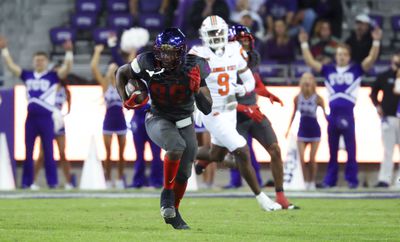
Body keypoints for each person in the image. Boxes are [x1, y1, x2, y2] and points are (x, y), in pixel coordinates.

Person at [115, 28, 213, 229]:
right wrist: (125, 99)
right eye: (164, 51)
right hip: (157, 117)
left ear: (182, 51)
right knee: (176, 146)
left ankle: (173, 214)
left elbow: (207, 107)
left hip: (185, 120)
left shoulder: (195, 66)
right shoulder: (146, 61)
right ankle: (166, 195)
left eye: (172, 51)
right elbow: (121, 73)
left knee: (185, 172)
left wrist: (196, 91)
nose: (167, 56)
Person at [190, 16, 282, 211]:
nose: (216, 36)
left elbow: (249, 80)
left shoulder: (234, 50)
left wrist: (241, 89)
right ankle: (262, 198)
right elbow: (190, 82)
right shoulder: (198, 53)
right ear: (204, 35)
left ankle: (182, 151)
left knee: (216, 154)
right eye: (211, 33)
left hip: (230, 109)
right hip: (211, 110)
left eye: (218, 32)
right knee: (242, 149)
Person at [299, 26, 382, 188]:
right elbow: (311, 62)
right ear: (335, 57)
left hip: (348, 114)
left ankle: (352, 180)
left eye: (344, 54)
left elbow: (371, 59)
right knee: (332, 151)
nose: (341, 57)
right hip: (333, 115)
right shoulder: (328, 69)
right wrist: (304, 44)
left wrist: (377, 41)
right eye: (338, 55)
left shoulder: (356, 68)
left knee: (351, 150)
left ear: (349, 56)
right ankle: (330, 180)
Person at [0, 36, 73, 188]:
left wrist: (69, 53)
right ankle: (27, 182)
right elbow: (12, 67)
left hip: (46, 118)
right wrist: (4, 50)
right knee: (28, 151)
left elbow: (66, 69)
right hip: (31, 118)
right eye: (36, 60)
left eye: (41, 60)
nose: (38, 62)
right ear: (33, 61)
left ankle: (52, 182)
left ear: (46, 62)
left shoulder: (52, 76)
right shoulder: (28, 75)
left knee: (48, 151)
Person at [107, 29, 163, 188]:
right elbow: (121, 64)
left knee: (156, 152)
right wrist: (113, 46)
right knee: (139, 153)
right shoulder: (133, 73)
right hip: (139, 116)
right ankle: (139, 181)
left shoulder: (157, 73)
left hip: (154, 116)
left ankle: (157, 181)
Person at [91, 45, 127, 189]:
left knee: (121, 153)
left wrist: (131, 52)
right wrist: (97, 52)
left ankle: (119, 179)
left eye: (114, 68)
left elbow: (130, 65)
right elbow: (94, 68)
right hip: (108, 121)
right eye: (110, 68)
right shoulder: (105, 84)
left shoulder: (123, 84)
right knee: (107, 153)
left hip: (121, 121)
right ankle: (107, 179)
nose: (112, 69)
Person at [286, 72, 326, 190]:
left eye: (309, 79)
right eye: (304, 79)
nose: (307, 81)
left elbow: (325, 114)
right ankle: (304, 181)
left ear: (313, 82)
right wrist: (288, 130)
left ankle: (311, 182)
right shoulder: (297, 98)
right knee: (301, 159)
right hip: (302, 130)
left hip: (314, 130)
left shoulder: (318, 98)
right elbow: (293, 114)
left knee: (312, 158)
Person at [33, 80, 73, 190]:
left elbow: (69, 107)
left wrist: (60, 116)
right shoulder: (47, 88)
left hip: (59, 125)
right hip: (47, 123)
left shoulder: (66, 91)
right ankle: (33, 181)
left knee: (62, 153)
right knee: (41, 154)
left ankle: (68, 182)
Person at [370, 53, 400, 187]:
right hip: (389, 117)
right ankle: (385, 179)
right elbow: (373, 92)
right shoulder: (385, 75)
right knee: (388, 151)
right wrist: (377, 105)